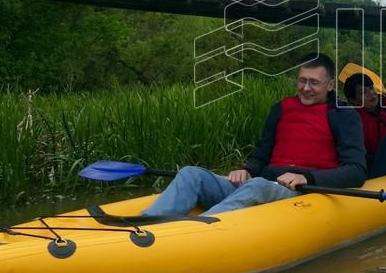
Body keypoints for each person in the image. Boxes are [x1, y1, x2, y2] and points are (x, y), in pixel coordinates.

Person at [142, 53, 367, 217]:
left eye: (314, 82)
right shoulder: (281, 108)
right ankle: (147, 224)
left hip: (303, 191)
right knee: (191, 174)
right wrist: (247, 169)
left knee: (257, 185)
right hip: (263, 183)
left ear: (330, 85)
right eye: (302, 80)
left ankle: (197, 229)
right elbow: (262, 154)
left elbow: (356, 171)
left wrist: (307, 178)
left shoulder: (344, 116)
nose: (306, 88)